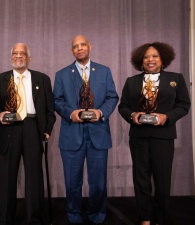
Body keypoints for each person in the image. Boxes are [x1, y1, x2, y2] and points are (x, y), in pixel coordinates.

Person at [118, 42, 190, 225]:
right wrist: (133, 115)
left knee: (162, 180)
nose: (151, 60)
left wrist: (167, 116)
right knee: (141, 180)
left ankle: (160, 218)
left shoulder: (176, 79)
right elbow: (123, 106)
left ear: (162, 59)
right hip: (139, 137)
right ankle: (145, 218)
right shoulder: (131, 81)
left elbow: (183, 105)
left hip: (163, 136)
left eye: (155, 56)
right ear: (140, 61)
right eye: (146, 57)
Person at [53, 35, 119, 225]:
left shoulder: (104, 71)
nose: (79, 48)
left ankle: (97, 214)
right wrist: (69, 113)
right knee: (73, 183)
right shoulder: (62, 74)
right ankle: (74, 215)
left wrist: (101, 112)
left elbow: (112, 97)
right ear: (71, 51)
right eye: (75, 46)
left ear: (90, 46)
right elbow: (57, 101)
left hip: (98, 134)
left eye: (83, 45)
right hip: (72, 135)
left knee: (98, 183)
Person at [0, 43, 56, 225]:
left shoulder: (42, 79)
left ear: (29, 58)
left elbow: (50, 109)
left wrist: (47, 130)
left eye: (22, 53)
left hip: (32, 127)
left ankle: (34, 219)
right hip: (9, 129)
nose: (18, 56)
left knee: (34, 178)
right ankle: (6, 219)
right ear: (11, 56)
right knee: (7, 178)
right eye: (15, 53)